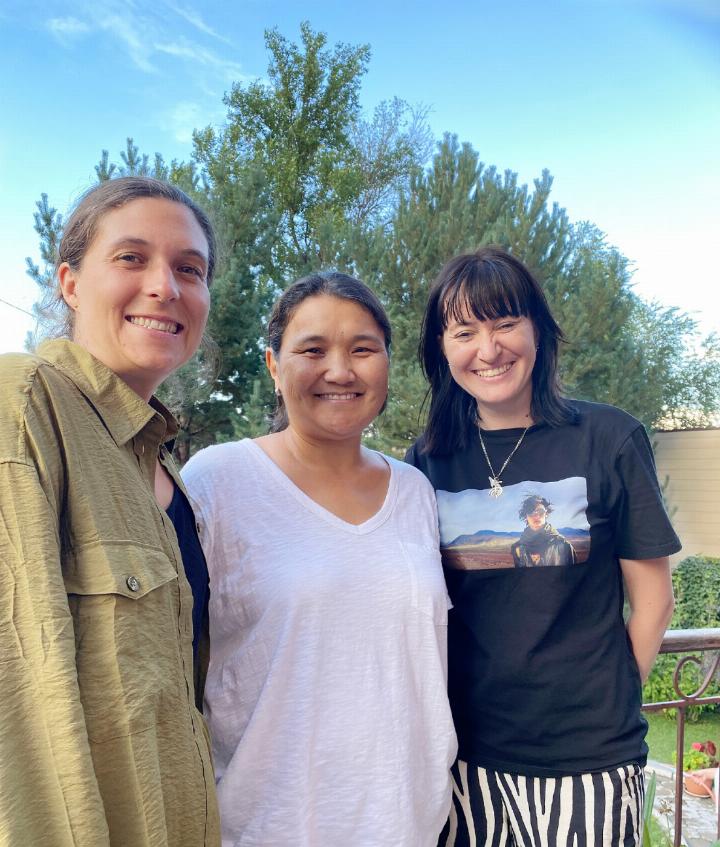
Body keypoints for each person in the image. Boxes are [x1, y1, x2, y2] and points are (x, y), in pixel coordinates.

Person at [405, 247, 680, 847]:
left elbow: (655, 599)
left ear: (537, 329)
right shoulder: (427, 460)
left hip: (590, 757)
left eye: (506, 323)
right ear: (441, 349)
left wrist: (607, 696)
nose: (489, 348)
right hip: (465, 754)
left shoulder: (608, 438)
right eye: (464, 331)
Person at [182, 272, 457, 846]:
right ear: (273, 367)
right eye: (312, 349)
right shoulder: (218, 480)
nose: (340, 370)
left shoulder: (414, 491)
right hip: (272, 825)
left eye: (363, 349)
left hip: (409, 821)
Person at [0, 177, 220, 846]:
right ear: (68, 282)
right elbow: (19, 708)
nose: (165, 286)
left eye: (190, 268)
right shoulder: (25, 402)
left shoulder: (171, 476)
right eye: (131, 258)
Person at [511, 494, 576, 567]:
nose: (536, 516)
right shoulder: (517, 548)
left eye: (540, 511)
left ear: (546, 513)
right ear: (526, 516)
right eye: (530, 511)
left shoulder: (564, 546)